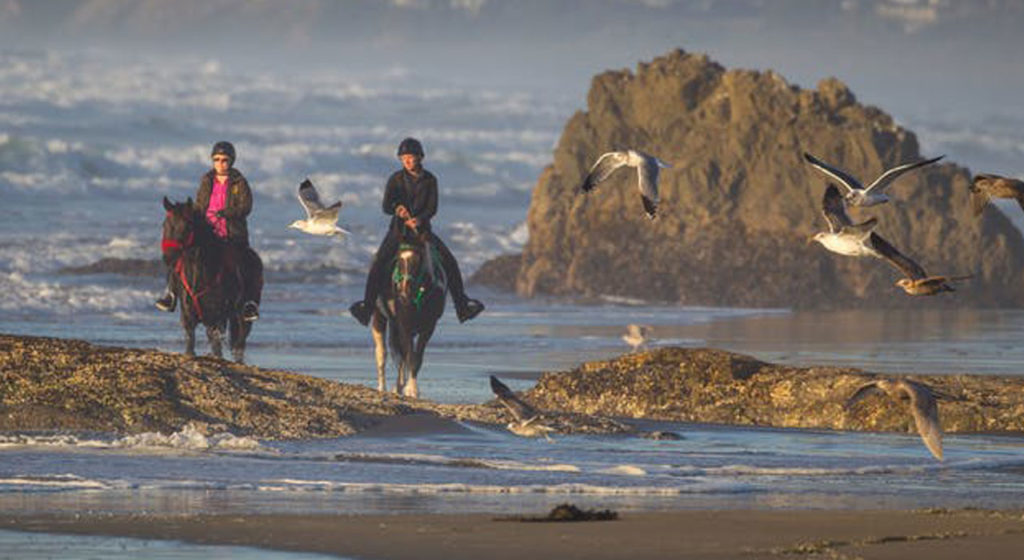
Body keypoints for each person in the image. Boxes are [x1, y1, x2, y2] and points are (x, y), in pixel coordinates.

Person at [349, 137, 484, 326]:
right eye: (404, 158)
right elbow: (386, 206)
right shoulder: (395, 179)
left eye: (410, 158)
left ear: (420, 158)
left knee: (450, 261)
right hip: (398, 231)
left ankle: (462, 306)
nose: (407, 161)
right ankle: (367, 307)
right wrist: (397, 209)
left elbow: (432, 208)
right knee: (378, 263)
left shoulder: (430, 180)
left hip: (421, 232)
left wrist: (420, 219)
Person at [156, 141, 263, 322]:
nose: (220, 163)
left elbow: (246, 207)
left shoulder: (240, 182)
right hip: (208, 233)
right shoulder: (206, 180)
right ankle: (172, 295)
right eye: (217, 159)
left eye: (224, 160)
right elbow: (199, 205)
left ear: (232, 161)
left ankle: (249, 304)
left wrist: (227, 213)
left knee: (249, 263)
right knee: (180, 259)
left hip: (232, 233)